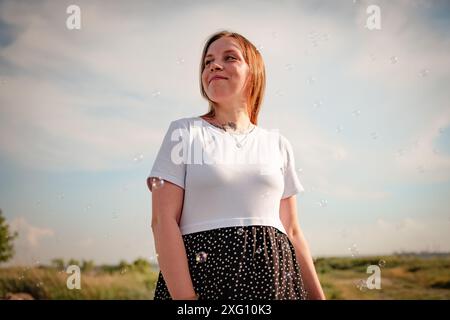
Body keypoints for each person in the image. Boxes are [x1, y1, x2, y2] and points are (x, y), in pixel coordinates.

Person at [147, 30, 325, 300]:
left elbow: (292, 231)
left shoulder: (278, 144)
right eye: (207, 62)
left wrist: (318, 297)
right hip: (205, 280)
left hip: (276, 282)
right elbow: (162, 221)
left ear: (253, 72)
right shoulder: (184, 133)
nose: (214, 66)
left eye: (229, 57)